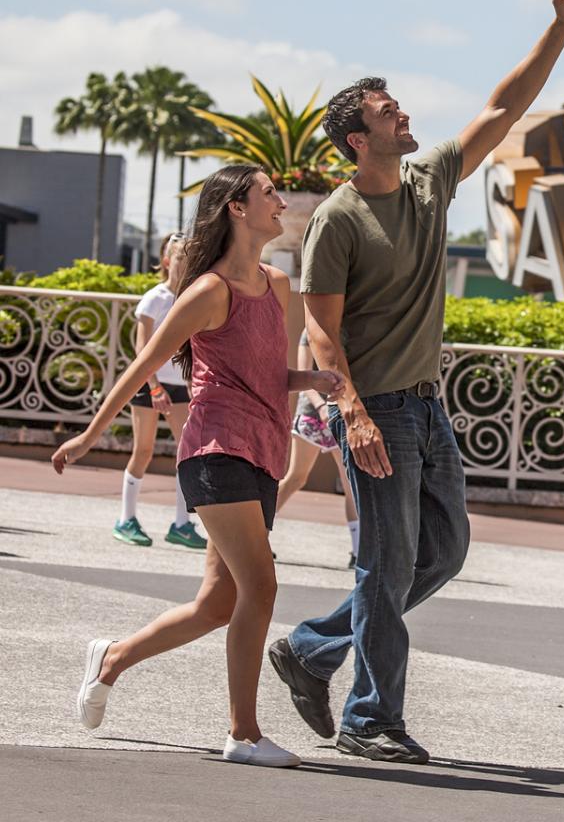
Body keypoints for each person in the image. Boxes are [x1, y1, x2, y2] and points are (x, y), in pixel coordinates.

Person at [269, 0, 564, 764]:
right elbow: (321, 331)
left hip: (425, 406)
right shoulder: (340, 221)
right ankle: (369, 719)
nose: (406, 115)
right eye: (391, 112)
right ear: (360, 138)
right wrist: (351, 416)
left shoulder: (428, 181)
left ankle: (315, 648)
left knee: (443, 552)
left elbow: (502, 108)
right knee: (384, 566)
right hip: (377, 408)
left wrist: (561, 27)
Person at [52, 165, 344, 769]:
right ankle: (243, 733)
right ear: (236, 208)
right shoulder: (208, 291)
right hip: (215, 452)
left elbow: (266, 374)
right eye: (268, 194)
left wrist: (309, 379)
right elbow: (144, 365)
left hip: (263, 453)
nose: (281, 202)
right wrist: (89, 435)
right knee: (261, 585)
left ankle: (112, 658)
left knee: (217, 603)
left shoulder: (278, 285)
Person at [114, 232, 207, 550]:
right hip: (149, 384)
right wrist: (153, 387)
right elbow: (142, 347)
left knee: (186, 453)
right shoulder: (154, 297)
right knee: (144, 451)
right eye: (181, 257)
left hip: (178, 385)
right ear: (167, 261)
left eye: (190, 258)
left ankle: (181, 524)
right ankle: (126, 519)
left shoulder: (191, 299)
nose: (185, 264)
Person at [277, 329, 359, 567]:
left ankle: (358, 551)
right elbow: (305, 378)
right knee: (296, 478)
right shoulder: (309, 332)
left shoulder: (350, 328)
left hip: (342, 417)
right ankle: (259, 532)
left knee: (350, 484)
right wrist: (322, 408)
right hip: (313, 415)